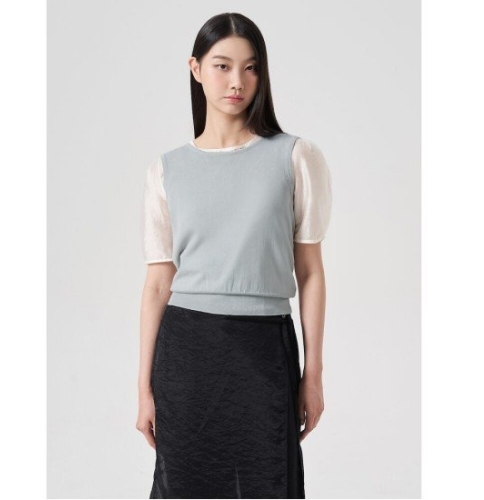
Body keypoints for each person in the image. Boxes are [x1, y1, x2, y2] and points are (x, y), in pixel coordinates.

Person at [136, 12, 332, 500]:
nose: (237, 82)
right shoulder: (166, 170)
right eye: (222, 66)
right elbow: (158, 283)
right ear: (196, 68)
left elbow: (310, 273)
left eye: (250, 68)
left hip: (263, 350)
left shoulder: (295, 157)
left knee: (268, 485)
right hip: (186, 354)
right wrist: (143, 387)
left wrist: (313, 374)